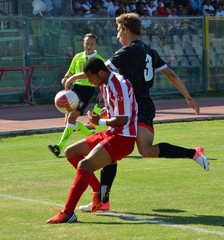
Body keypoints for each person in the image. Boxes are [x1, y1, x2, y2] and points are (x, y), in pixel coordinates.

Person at [64, 13, 209, 212]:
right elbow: (171, 74)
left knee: (144, 150)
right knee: (111, 148)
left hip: (139, 107)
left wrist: (73, 78)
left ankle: (193, 153)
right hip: (134, 104)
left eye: (118, 31)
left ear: (125, 29)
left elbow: (99, 70)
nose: (117, 36)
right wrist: (188, 98)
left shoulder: (127, 51)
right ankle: (103, 201)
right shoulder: (150, 51)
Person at [46, 57, 138, 224]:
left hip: (123, 138)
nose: (89, 81)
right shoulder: (104, 83)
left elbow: (123, 119)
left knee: (84, 165)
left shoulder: (119, 84)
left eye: (90, 78)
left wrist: (99, 122)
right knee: (71, 152)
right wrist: (105, 112)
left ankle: (68, 213)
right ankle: (97, 193)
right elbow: (117, 109)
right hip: (112, 133)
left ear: (101, 72)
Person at [48, 33, 105, 157]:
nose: (89, 46)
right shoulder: (77, 57)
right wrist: (65, 79)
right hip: (75, 89)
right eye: (87, 43)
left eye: (91, 44)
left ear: (96, 45)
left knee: (71, 118)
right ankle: (95, 138)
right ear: (83, 44)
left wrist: (102, 90)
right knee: (69, 121)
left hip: (88, 90)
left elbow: (104, 76)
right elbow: (70, 72)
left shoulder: (99, 60)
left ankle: (58, 147)